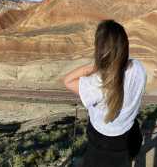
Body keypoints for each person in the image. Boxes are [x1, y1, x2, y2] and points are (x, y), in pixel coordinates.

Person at [61, 19, 147, 167]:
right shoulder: (138, 68)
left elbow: (67, 81)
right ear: (125, 46)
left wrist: (95, 66)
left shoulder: (97, 83)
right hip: (129, 135)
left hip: (102, 143)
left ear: (100, 51)